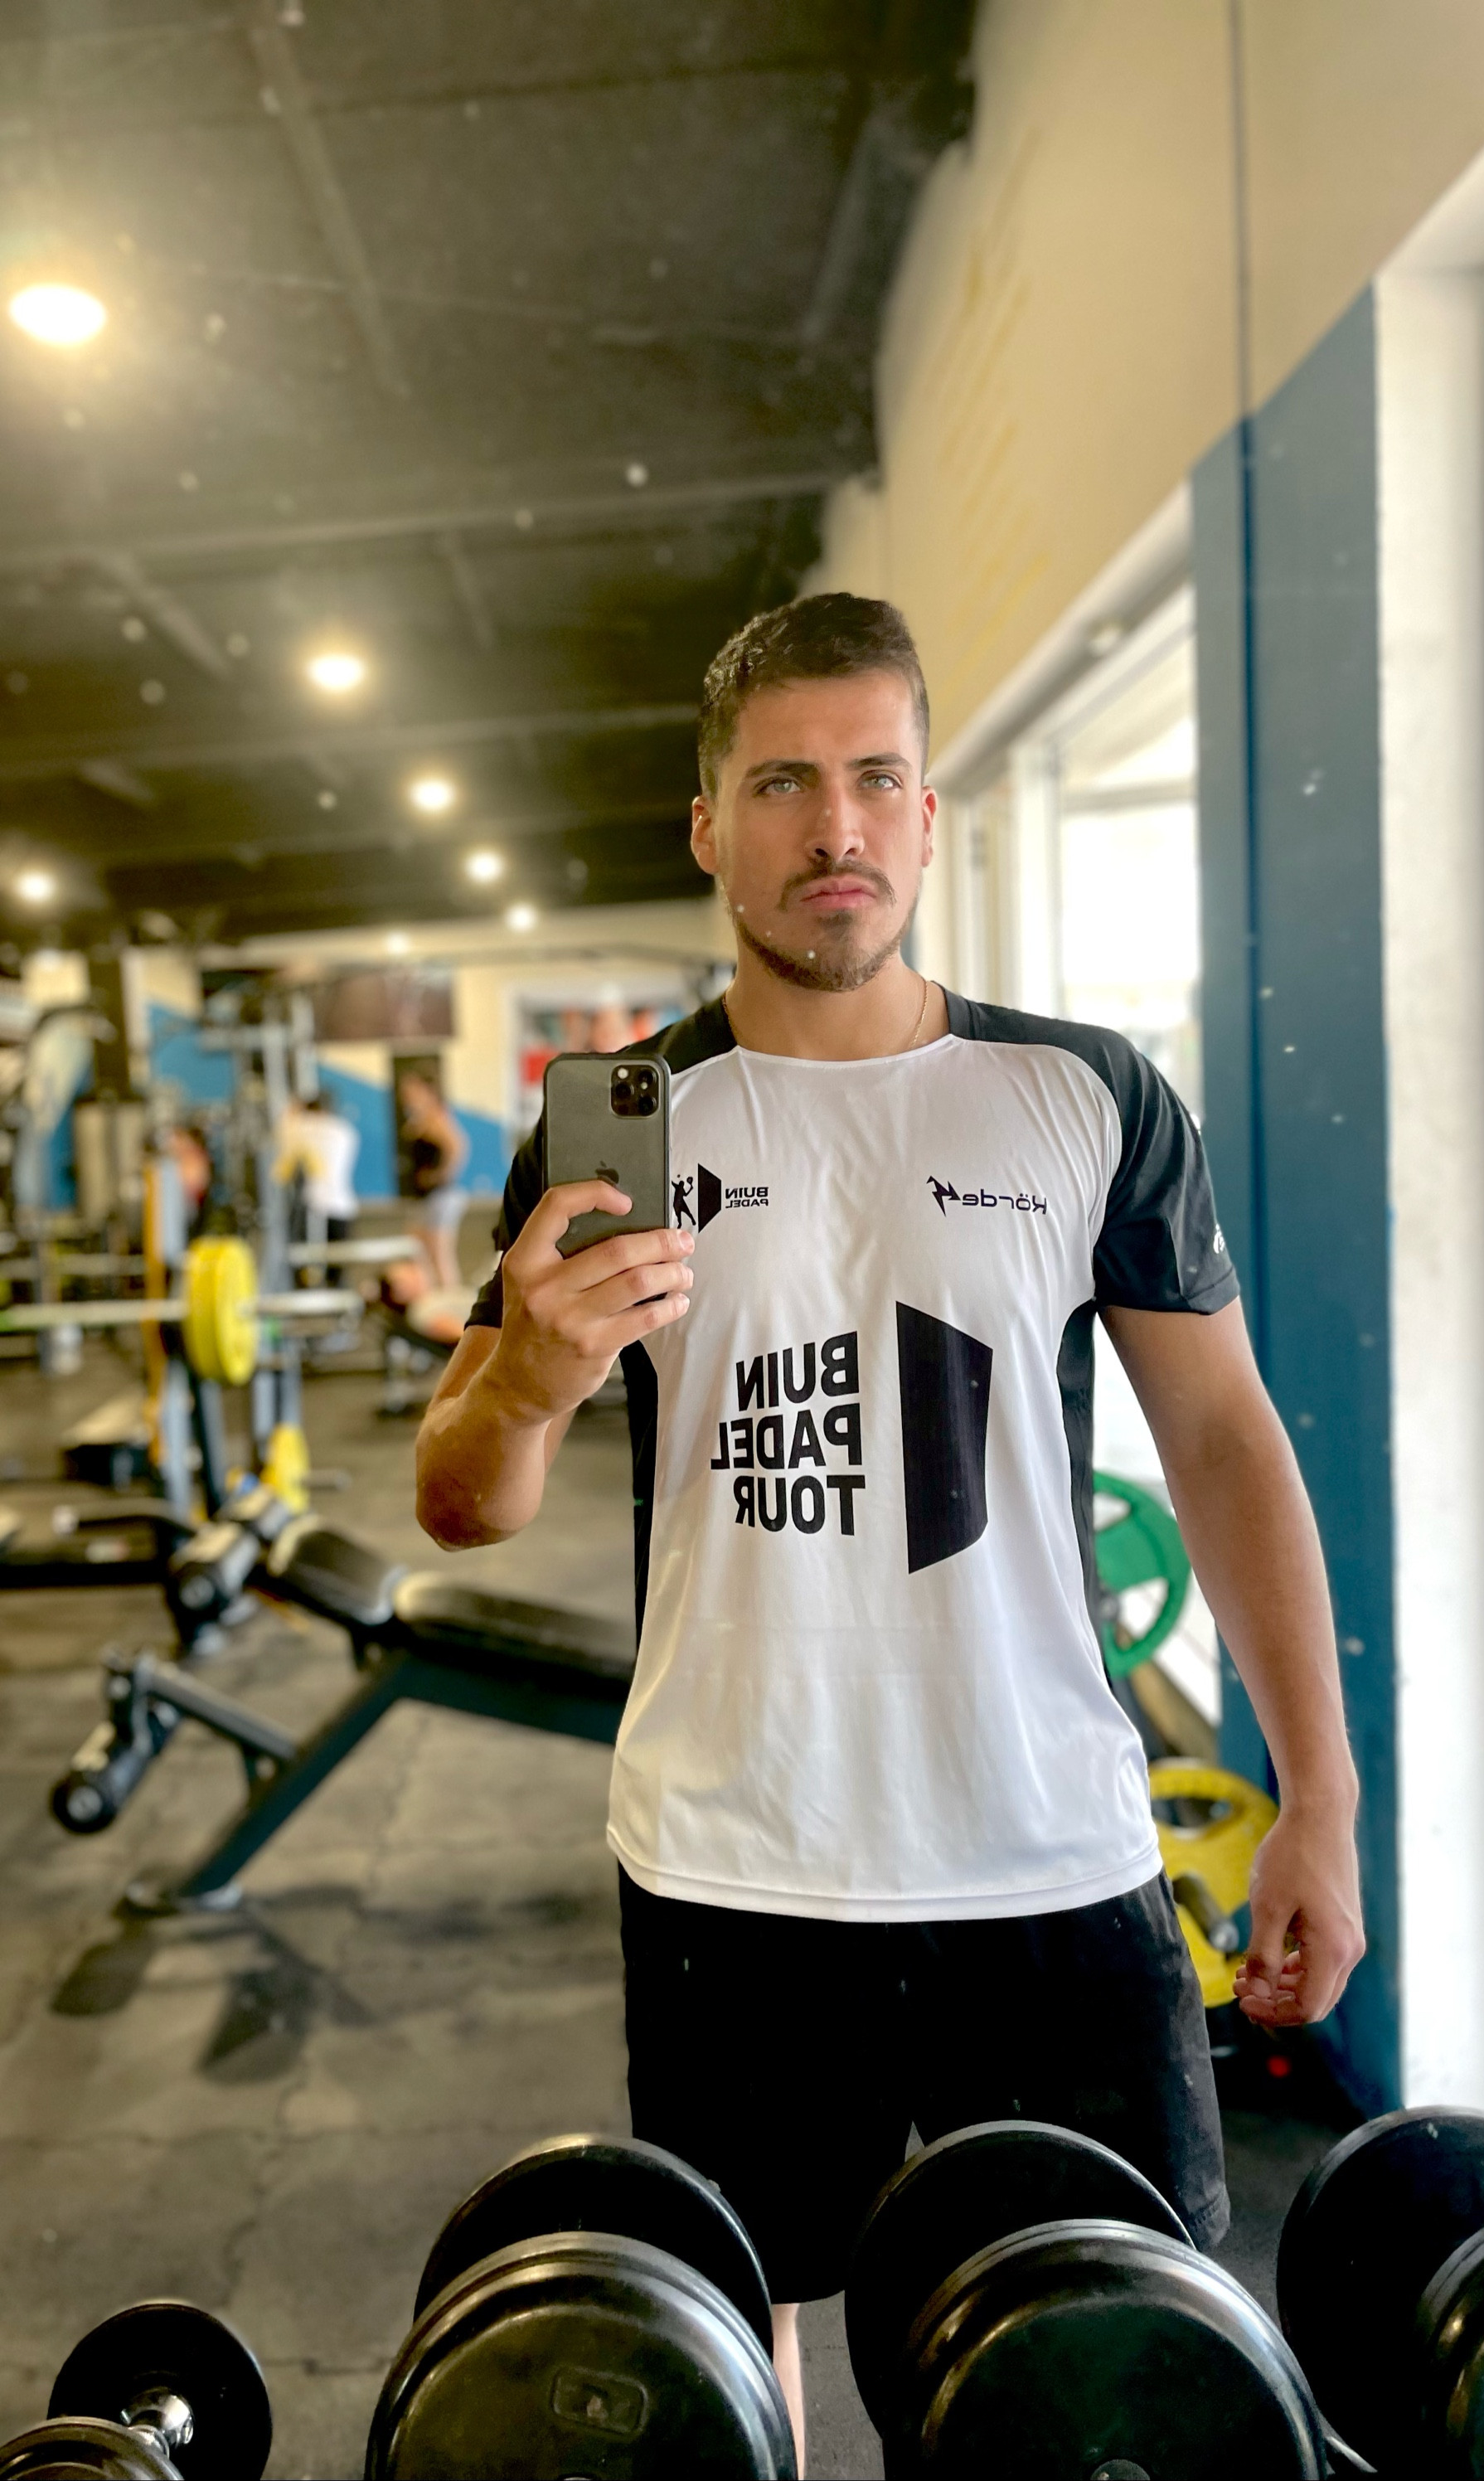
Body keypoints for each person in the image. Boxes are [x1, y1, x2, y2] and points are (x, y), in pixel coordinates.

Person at [413, 593, 1364, 2473]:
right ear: (709, 825)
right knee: (733, 2364)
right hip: (733, 1857)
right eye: (781, 782)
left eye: (872, 778)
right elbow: (461, 1493)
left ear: (927, 815)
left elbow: (1225, 1439)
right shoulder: (622, 1125)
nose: (832, 826)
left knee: (1110, 2375)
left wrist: (1317, 1794)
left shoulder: (1084, 1095)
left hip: (1048, 1848)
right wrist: (528, 1374)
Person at [275, 1089, 361, 1275]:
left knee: (303, 1263)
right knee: (338, 1266)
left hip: (314, 1206)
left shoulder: (304, 1129)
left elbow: (283, 1126)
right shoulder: (344, 1130)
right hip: (343, 1205)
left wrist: (295, 1108)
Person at [399, 1071, 469, 1289]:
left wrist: (441, 1175)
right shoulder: (419, 1119)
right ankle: (432, 1298)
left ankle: (451, 1302)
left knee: (439, 1254)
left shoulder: (436, 1117)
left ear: (428, 1091)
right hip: (424, 1196)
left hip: (439, 1195)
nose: (407, 1096)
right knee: (419, 1252)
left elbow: (458, 1146)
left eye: (413, 1091)